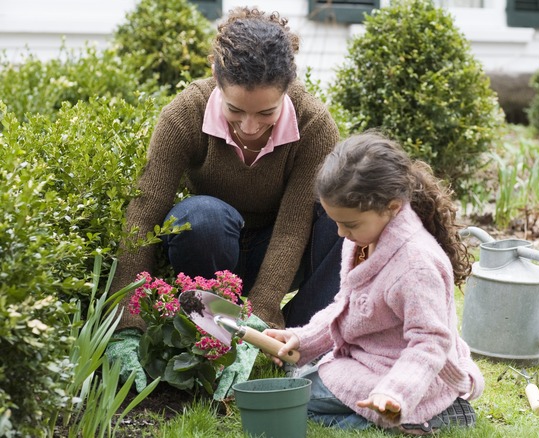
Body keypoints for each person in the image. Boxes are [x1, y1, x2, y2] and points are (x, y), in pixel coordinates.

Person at [106, 7, 343, 399]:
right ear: (217, 80)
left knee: (341, 223)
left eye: (266, 113)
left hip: (278, 250)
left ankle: (294, 342)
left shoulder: (315, 125)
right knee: (197, 217)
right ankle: (214, 325)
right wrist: (126, 320)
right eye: (235, 110)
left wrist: (262, 313)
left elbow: (293, 226)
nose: (249, 127)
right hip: (213, 250)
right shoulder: (184, 114)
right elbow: (144, 211)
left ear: (288, 88)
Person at [265, 132, 485, 435]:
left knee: (300, 400)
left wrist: (396, 391)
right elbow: (347, 303)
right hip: (369, 361)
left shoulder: (415, 265)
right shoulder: (364, 238)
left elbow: (430, 342)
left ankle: (436, 413)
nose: (341, 233)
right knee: (300, 393)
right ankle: (393, 417)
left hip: (413, 376)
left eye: (350, 224)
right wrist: (303, 340)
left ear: (392, 207)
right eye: (336, 223)